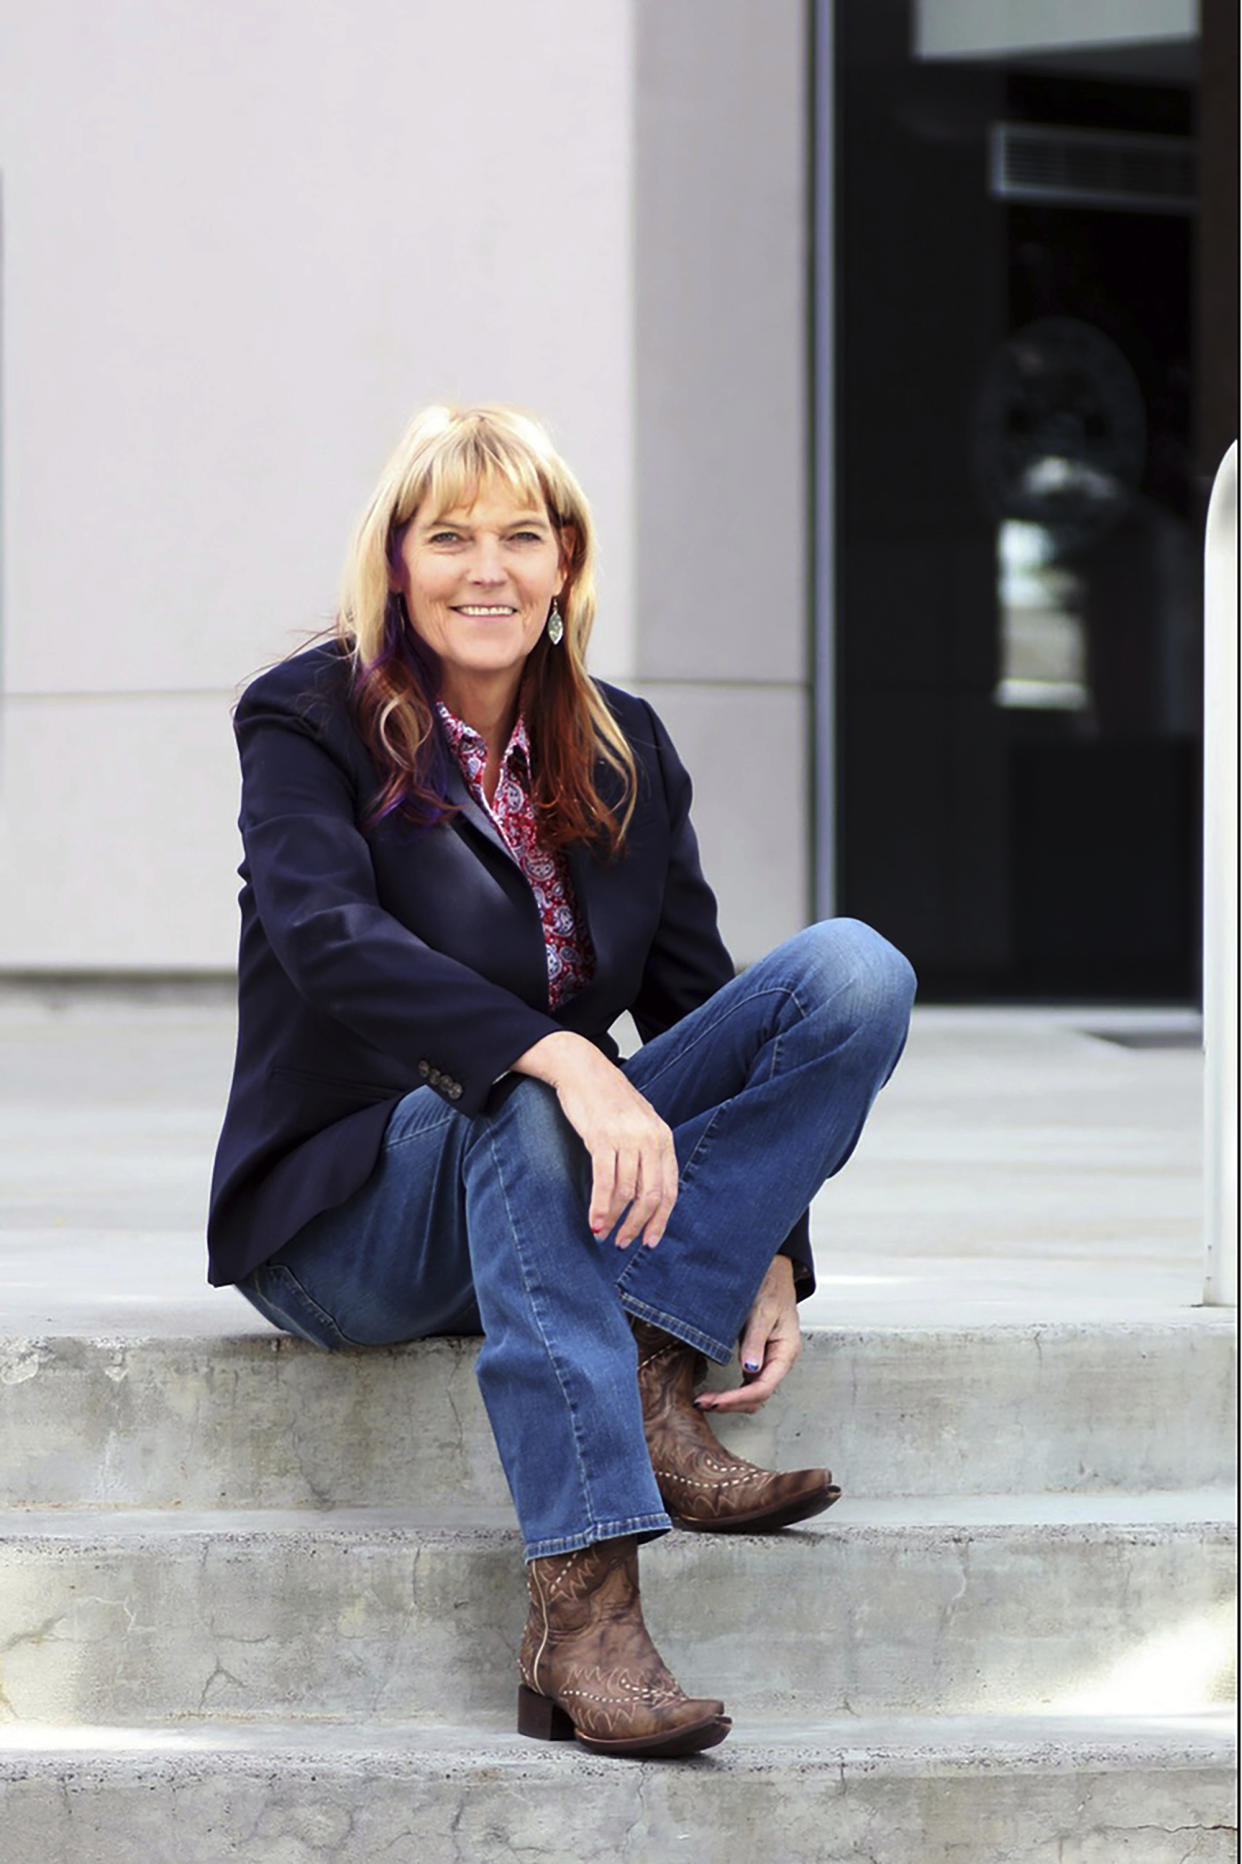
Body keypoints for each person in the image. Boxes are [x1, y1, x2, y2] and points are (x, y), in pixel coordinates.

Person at [207, 403, 915, 1760]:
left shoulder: (623, 741)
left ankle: (650, 1352)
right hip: (347, 1222)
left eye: (521, 536)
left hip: (543, 1192)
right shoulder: (310, 719)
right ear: (398, 564)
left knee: (849, 974)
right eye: (449, 536)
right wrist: (551, 1052)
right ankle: (582, 1608)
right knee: (526, 1093)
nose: (488, 568)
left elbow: (708, 1003)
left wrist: (764, 1242)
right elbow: (322, 936)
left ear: (564, 565)